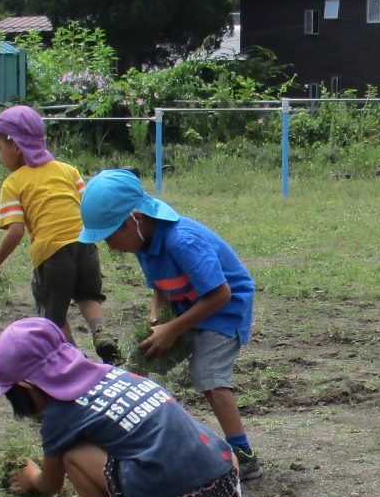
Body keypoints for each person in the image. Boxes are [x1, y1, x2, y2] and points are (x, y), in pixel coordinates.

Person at [0, 318, 256, 497]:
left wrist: (31, 477)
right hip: (221, 486)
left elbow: (51, 484)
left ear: (25, 387)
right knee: (202, 440)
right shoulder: (116, 374)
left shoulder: (58, 416)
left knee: (73, 456)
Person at [77, 168, 261, 478]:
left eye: (110, 236)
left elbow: (221, 294)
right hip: (190, 304)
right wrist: (157, 318)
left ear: (135, 218)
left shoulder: (182, 241)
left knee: (207, 374)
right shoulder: (144, 244)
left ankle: (243, 454)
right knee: (143, 361)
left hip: (225, 309)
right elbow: (160, 287)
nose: (111, 246)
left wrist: (173, 329)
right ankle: (126, 442)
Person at [0, 104, 117, 361]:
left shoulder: (13, 182)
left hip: (52, 255)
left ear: (16, 147)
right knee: (88, 295)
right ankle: (101, 332)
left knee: (54, 314)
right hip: (86, 245)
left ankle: (75, 358)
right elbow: (89, 206)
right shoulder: (68, 170)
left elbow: (16, 231)